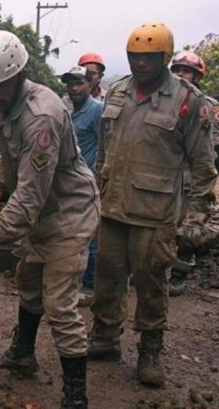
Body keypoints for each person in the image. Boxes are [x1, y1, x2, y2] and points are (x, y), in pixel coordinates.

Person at [0, 30, 100, 409]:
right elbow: (8, 159)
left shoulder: (42, 115)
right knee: (29, 281)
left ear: (19, 76)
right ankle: (22, 353)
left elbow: (29, 198)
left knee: (59, 302)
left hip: (69, 210)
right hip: (36, 208)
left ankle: (76, 392)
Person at [89, 23, 216, 388]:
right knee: (107, 279)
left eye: (149, 58)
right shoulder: (116, 92)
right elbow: (104, 146)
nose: (140, 64)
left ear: (164, 58)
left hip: (155, 216)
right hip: (113, 208)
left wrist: (196, 216)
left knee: (151, 284)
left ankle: (149, 352)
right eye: (134, 57)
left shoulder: (189, 102)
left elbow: (204, 167)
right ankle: (105, 339)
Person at [167, 50, 218, 296]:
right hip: (165, 172)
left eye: (186, 71)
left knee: (191, 226)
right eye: (176, 69)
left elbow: (212, 148)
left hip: (194, 174)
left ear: (197, 76)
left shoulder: (208, 106)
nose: (180, 75)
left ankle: (178, 274)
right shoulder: (162, 101)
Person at [60, 66, 103, 307]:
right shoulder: (66, 111)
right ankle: (70, 281)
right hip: (68, 183)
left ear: (89, 85)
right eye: (70, 84)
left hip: (89, 183)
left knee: (91, 236)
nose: (74, 88)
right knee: (69, 233)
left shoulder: (97, 111)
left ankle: (89, 286)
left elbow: (106, 145)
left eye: (79, 83)